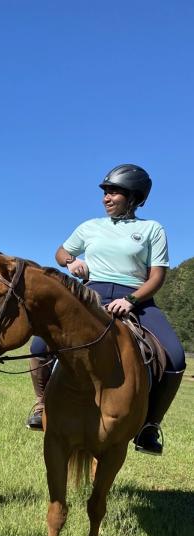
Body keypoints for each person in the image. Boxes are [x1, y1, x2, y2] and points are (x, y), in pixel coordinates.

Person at [26, 164, 186, 456]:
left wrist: (132, 301)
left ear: (134, 197)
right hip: (91, 295)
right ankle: (41, 405)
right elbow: (61, 251)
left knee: (175, 358)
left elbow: (157, 277)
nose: (106, 198)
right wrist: (71, 261)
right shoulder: (90, 226)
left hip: (136, 299)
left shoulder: (152, 229)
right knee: (39, 345)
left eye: (114, 192)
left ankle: (149, 426)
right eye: (105, 192)